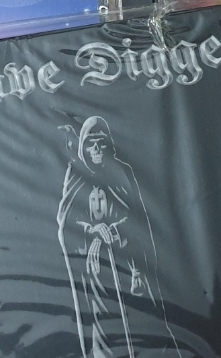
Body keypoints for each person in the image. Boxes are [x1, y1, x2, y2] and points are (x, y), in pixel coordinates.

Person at [57, 117, 177, 358]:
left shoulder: (122, 172)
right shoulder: (76, 175)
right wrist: (92, 231)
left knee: (143, 324)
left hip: (127, 265)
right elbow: (66, 223)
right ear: (83, 147)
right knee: (103, 327)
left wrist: (113, 232)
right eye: (90, 143)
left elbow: (138, 220)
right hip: (95, 274)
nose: (96, 148)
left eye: (101, 142)